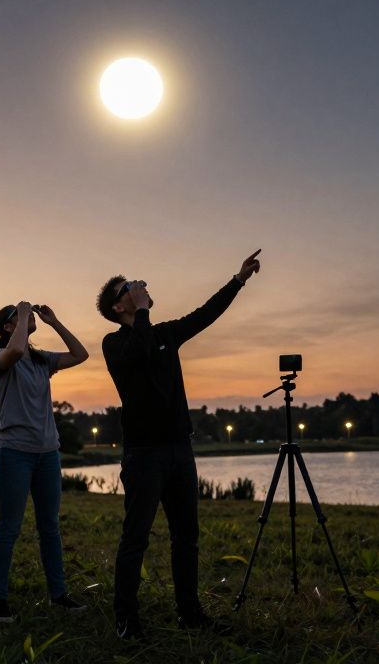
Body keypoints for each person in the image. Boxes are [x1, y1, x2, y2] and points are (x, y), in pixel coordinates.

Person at [96, 249, 262, 640]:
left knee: (186, 536)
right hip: (143, 456)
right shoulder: (113, 343)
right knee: (135, 537)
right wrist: (142, 311)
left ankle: (190, 613)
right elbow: (138, 350)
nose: (141, 286)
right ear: (119, 305)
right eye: (130, 288)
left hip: (179, 450)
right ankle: (126, 620)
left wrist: (237, 280)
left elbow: (205, 314)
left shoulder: (166, 333)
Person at [0, 301, 90, 624]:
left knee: (50, 527)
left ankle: (59, 595)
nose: (27, 319)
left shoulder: (43, 361)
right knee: (9, 528)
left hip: (48, 454)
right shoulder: (0, 359)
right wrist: (21, 312)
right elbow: (16, 348)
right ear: (7, 327)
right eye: (17, 319)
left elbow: (80, 354)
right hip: (14, 453)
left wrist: (55, 321)